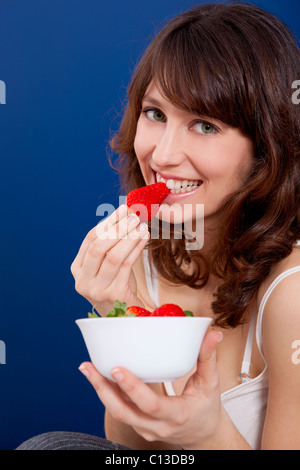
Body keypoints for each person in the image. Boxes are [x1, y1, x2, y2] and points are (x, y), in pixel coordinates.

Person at [17, 1, 300, 450]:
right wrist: (120, 316)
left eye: (205, 125)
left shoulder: (292, 292)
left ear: (268, 147)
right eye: (155, 114)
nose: (163, 155)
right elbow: (129, 448)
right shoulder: (142, 257)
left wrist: (207, 434)